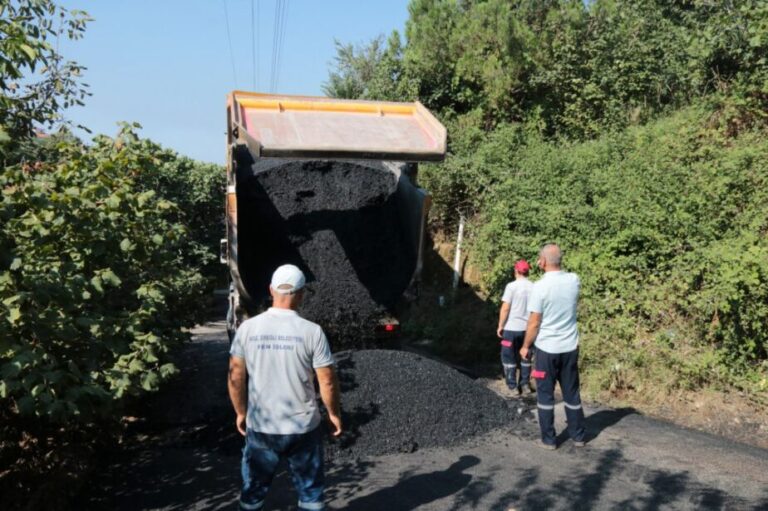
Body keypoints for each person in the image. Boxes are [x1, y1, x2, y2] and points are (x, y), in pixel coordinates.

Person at [228, 264, 342, 511]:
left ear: (271, 290)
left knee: (253, 491)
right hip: (303, 427)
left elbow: (236, 376)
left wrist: (241, 412)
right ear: (301, 294)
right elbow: (327, 380)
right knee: (310, 494)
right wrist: (333, 413)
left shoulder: (247, 329)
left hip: (262, 426)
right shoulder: (313, 332)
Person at [520, 244, 586, 449]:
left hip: (547, 350)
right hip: (570, 347)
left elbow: (534, 322)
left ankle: (549, 439)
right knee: (571, 393)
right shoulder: (574, 280)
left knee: (545, 395)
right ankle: (578, 436)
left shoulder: (540, 287)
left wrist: (525, 346)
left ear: (542, 262)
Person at [496, 259, 534, 395]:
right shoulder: (534, 286)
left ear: (516, 271)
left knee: (508, 357)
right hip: (528, 330)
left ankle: (512, 387)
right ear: (528, 271)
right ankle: (525, 385)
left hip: (511, 329)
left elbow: (505, 308)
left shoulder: (511, 286)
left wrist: (500, 325)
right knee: (526, 356)